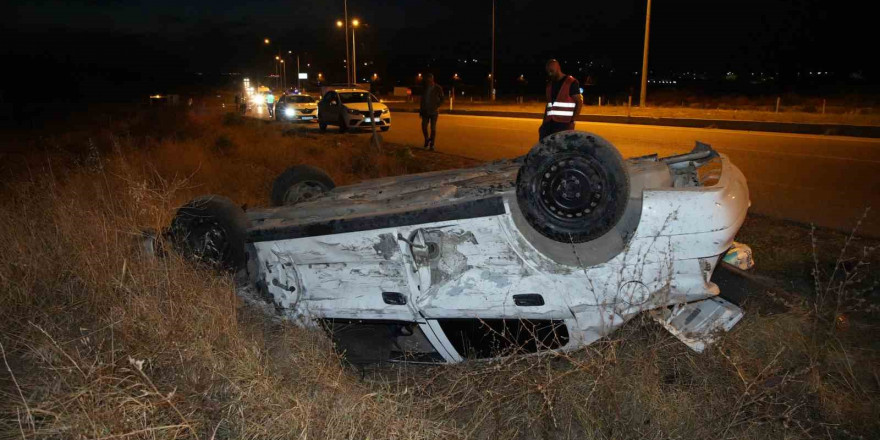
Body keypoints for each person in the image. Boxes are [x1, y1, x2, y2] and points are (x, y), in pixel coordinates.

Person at [539, 59, 583, 141]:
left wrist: (572, 122)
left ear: (558, 68)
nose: (549, 73)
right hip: (548, 124)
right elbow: (548, 106)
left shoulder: (571, 82)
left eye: (551, 71)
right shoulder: (549, 85)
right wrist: (543, 123)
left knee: (560, 149)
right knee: (544, 147)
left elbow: (579, 103)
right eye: (548, 71)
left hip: (564, 124)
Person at [419, 73, 444, 150]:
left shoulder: (437, 88)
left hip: (434, 112)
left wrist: (437, 105)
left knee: (433, 128)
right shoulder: (425, 88)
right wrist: (421, 110)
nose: (428, 81)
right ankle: (426, 139)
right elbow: (422, 100)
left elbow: (442, 98)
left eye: (430, 79)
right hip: (425, 111)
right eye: (427, 79)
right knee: (424, 126)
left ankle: (432, 144)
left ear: (432, 79)